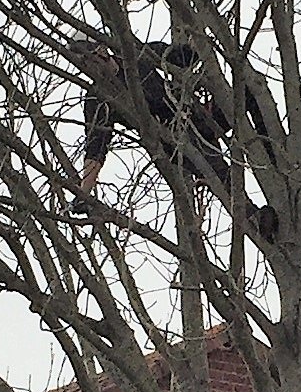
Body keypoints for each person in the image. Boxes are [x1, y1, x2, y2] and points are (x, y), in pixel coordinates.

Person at [71, 35, 279, 239]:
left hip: (195, 114)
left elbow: (182, 57)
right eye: (82, 64)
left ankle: (273, 159)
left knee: (248, 92)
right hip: (174, 141)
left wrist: (196, 39)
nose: (89, 67)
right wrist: (83, 193)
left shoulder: (136, 56)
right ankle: (254, 218)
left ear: (101, 50)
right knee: (218, 173)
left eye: (89, 58)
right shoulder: (98, 99)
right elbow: (95, 150)